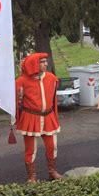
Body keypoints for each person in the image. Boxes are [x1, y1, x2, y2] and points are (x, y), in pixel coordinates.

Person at [15, 53, 62, 182]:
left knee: (52, 147)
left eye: (46, 61)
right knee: (30, 150)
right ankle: (32, 177)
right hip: (30, 118)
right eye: (42, 62)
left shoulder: (52, 78)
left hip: (48, 118)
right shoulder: (21, 81)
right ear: (34, 64)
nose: (46, 64)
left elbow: (53, 99)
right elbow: (15, 103)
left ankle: (52, 172)